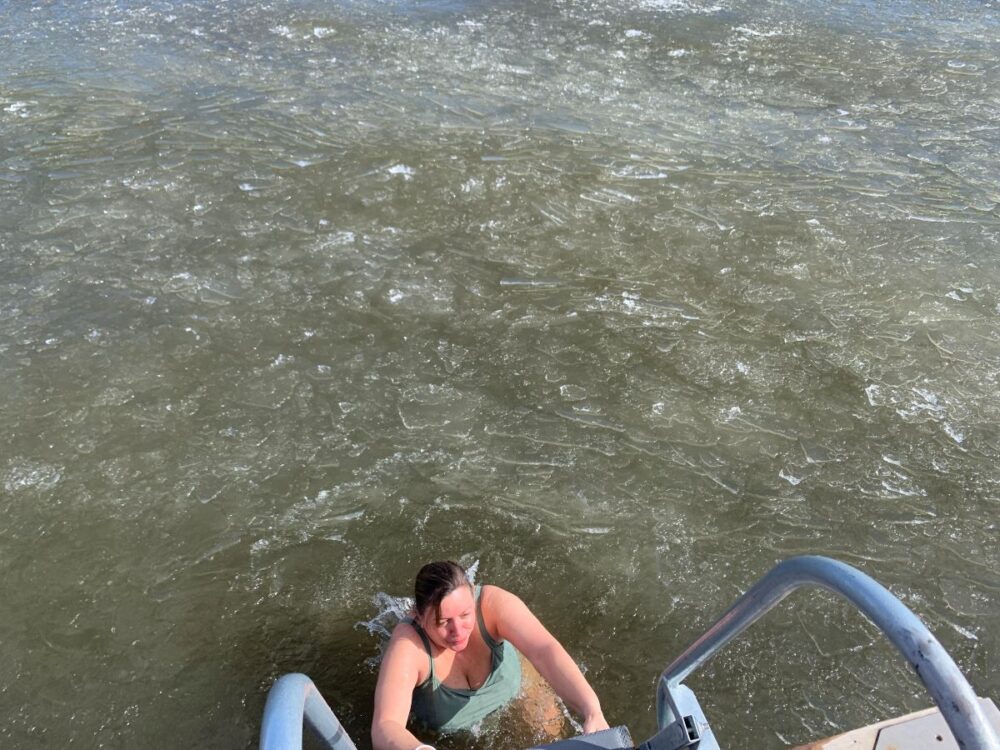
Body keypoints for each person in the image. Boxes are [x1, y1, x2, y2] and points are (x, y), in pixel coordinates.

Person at [372, 561, 608, 750]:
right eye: (443, 622)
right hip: (450, 734)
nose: (458, 631)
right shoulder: (408, 646)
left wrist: (592, 710)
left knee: (555, 738)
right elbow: (386, 725)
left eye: (465, 614)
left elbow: (544, 650)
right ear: (418, 616)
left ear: (472, 594)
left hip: (518, 691)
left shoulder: (491, 603)